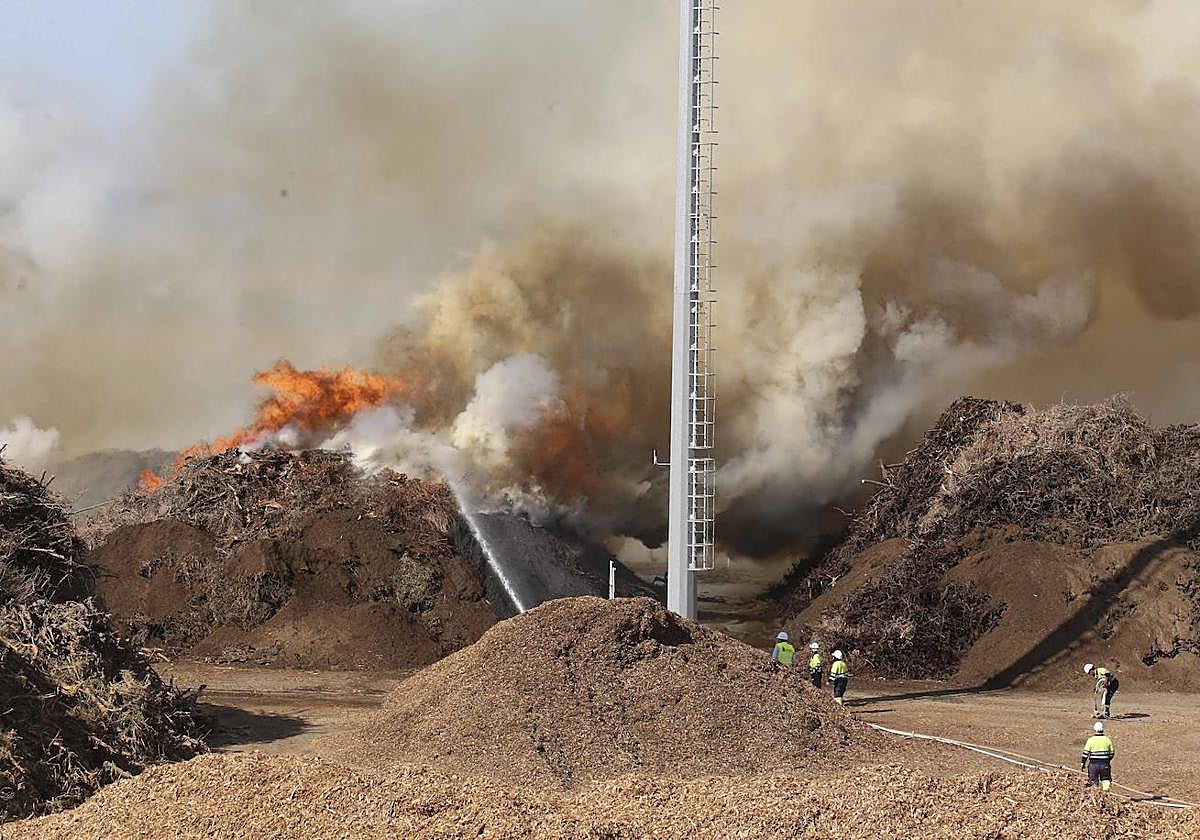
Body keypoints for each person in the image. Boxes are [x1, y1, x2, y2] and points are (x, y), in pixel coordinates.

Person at [1080, 721, 1115, 792]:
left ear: (1095, 729)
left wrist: (1083, 763)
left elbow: (1085, 753)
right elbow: (1112, 753)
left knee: (1093, 781)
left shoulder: (1091, 740)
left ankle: (1096, 794)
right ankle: (1106, 793)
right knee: (1106, 780)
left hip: (1093, 765)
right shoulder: (1107, 740)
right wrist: (1107, 760)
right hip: (1105, 764)